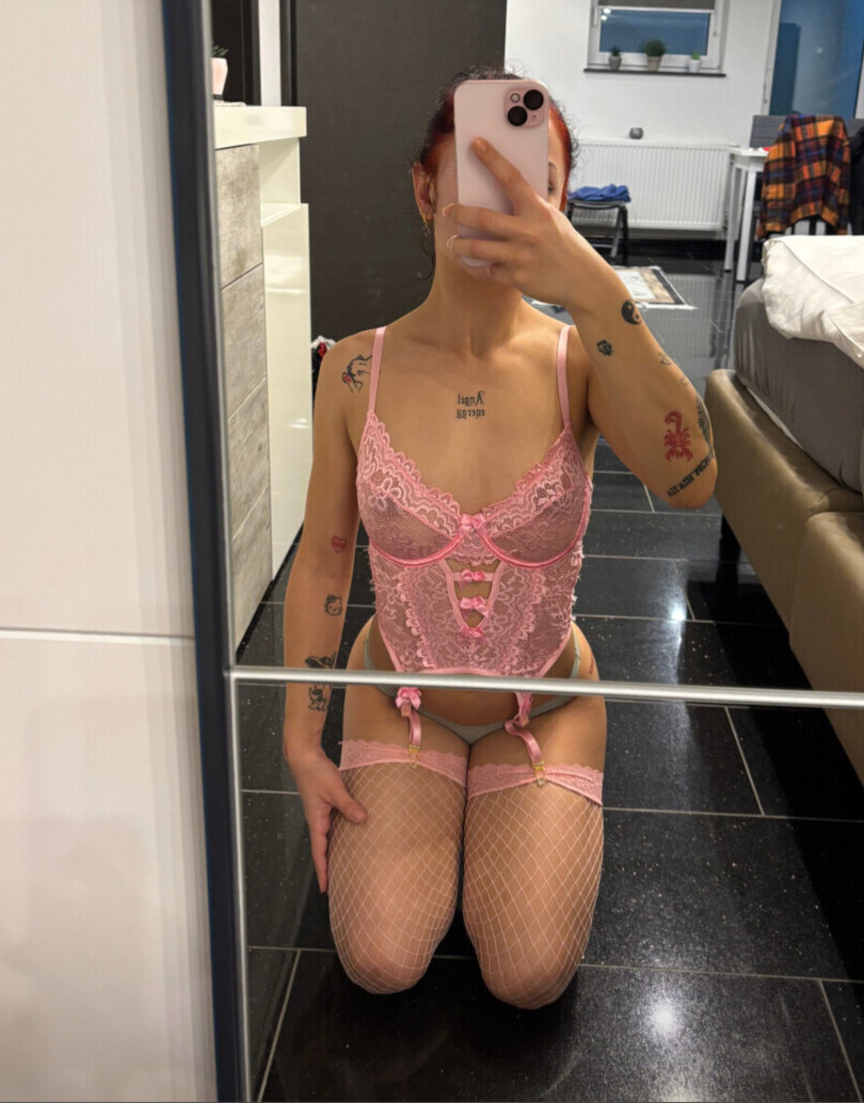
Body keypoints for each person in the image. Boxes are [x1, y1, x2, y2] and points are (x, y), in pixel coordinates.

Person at [282, 66, 717, 1009]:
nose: (508, 202)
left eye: (536, 185)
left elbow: (691, 481)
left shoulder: (579, 362)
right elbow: (322, 559)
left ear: (562, 205)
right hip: (397, 692)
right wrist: (301, 741)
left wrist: (594, 289)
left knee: (527, 977)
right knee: (380, 963)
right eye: (480, 176)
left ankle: (519, 809)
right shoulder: (354, 370)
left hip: (544, 700)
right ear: (424, 189)